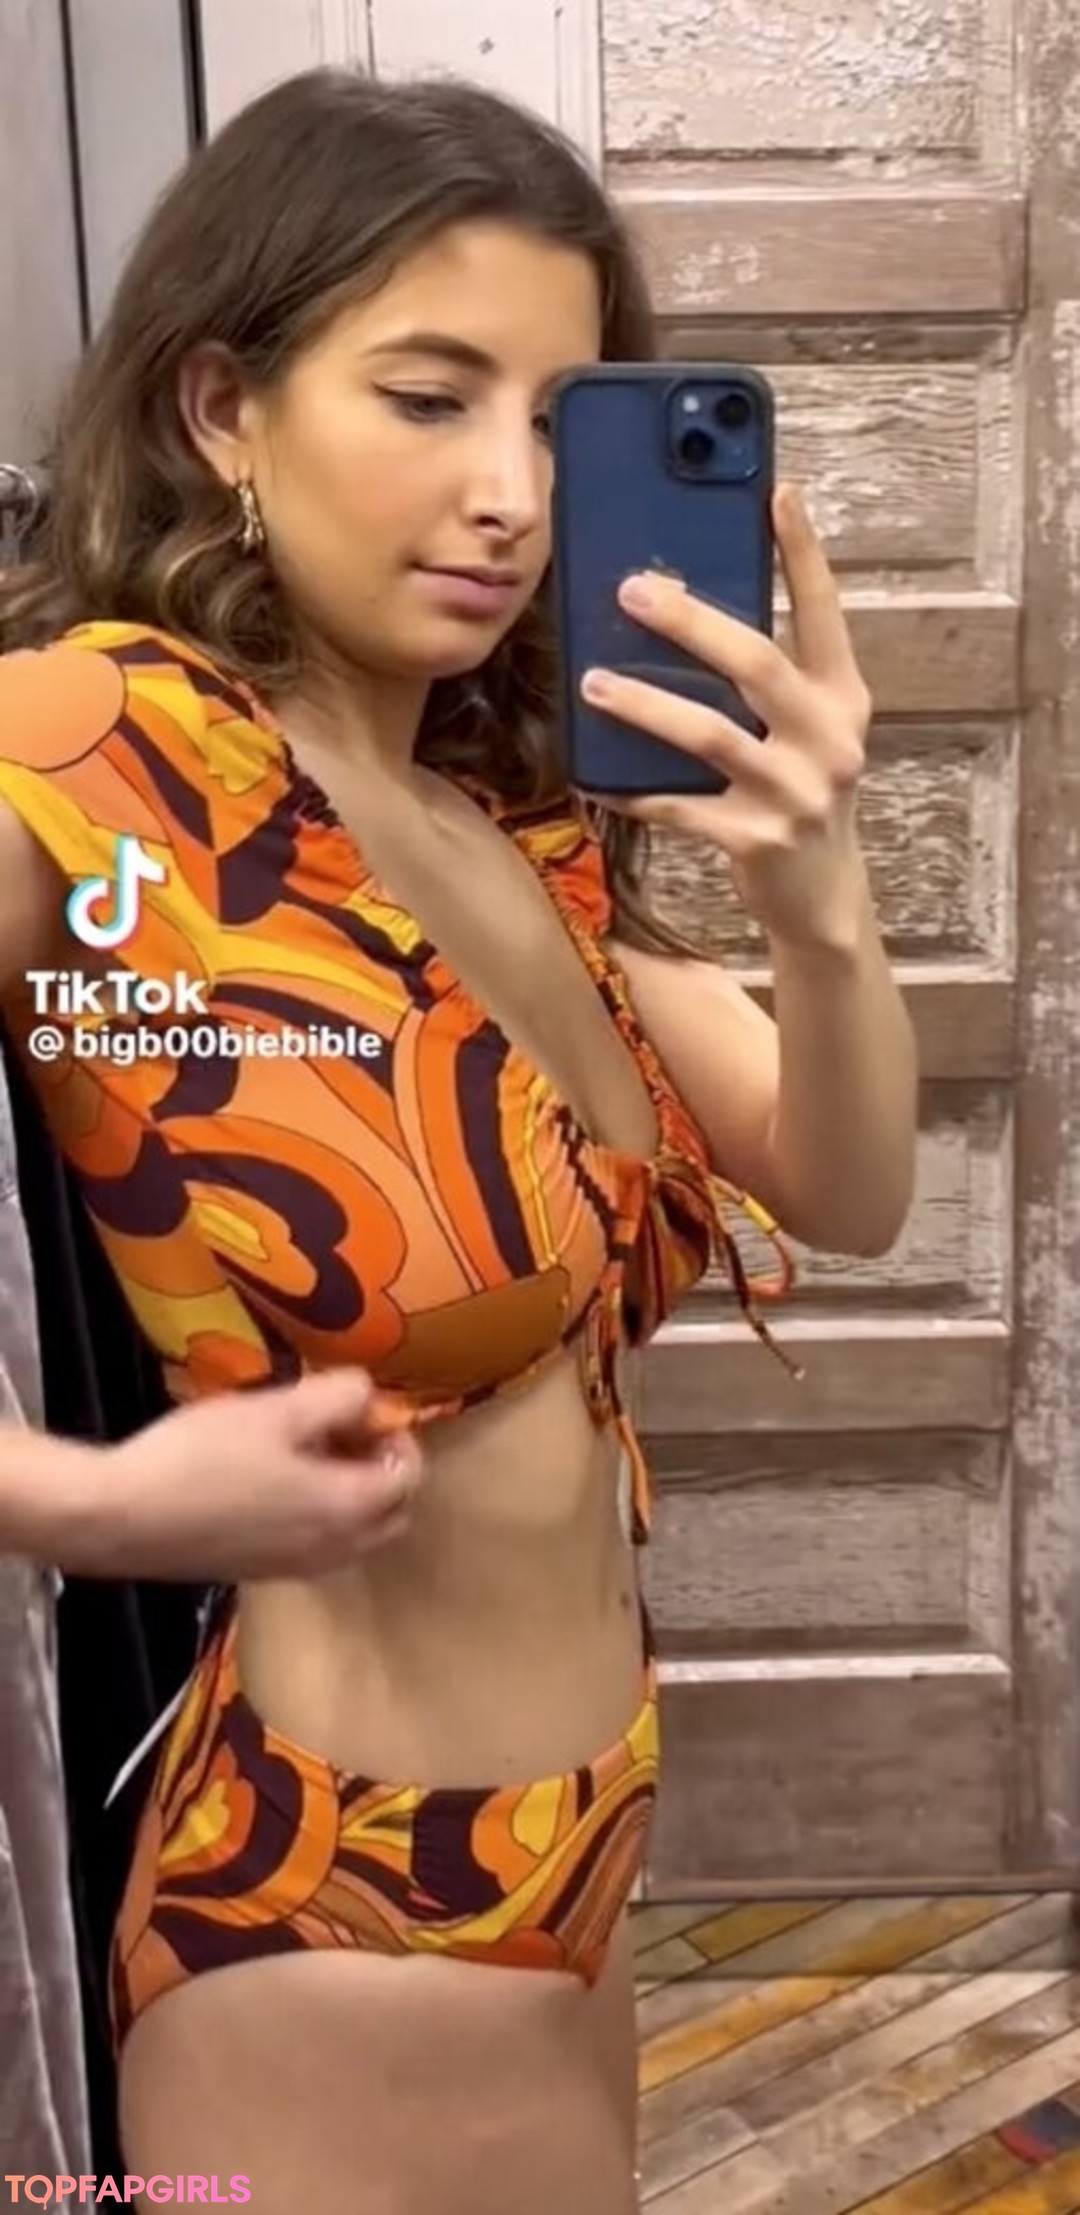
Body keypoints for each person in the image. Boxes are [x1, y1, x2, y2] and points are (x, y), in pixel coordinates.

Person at [0, 66, 917, 2215]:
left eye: (557, 422)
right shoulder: (100, 753)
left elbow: (852, 1187)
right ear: (224, 408)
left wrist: (821, 894)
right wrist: (79, 1499)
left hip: (587, 1824)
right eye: (427, 398)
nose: (509, 496)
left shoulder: (506, 830)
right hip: (334, 1895)